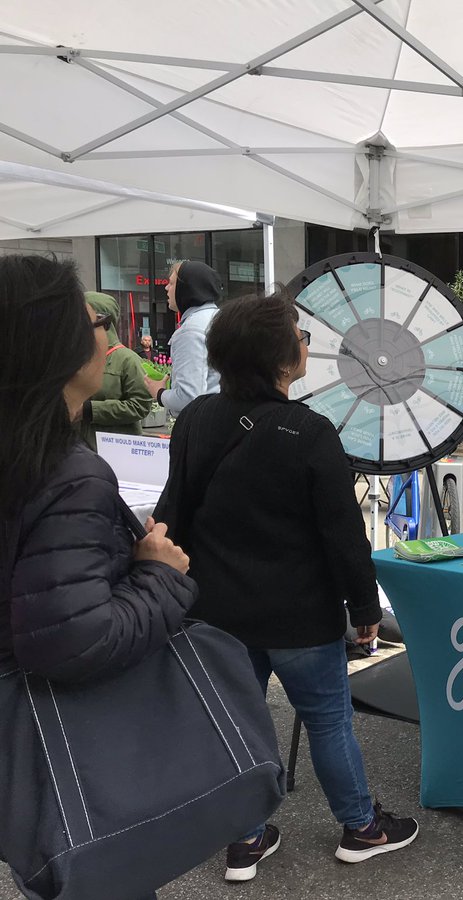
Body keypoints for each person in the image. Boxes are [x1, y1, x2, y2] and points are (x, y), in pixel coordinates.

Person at [153, 293, 418, 883]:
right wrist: (364, 605)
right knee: (328, 720)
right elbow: (342, 534)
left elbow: (175, 510)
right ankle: (361, 828)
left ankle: (245, 837)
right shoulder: (310, 432)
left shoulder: (196, 419)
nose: (305, 346)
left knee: (239, 722)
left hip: (217, 613)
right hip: (301, 615)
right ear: (279, 357)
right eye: (299, 336)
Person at [1, 255, 196, 900]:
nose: (104, 335)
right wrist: (159, 574)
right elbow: (75, 639)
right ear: (51, 340)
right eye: (91, 322)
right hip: (63, 747)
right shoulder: (70, 475)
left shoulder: (31, 456)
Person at [144, 260, 221, 415]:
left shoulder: (190, 331)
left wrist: (159, 393)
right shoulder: (222, 318)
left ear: (186, 289)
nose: (166, 288)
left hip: (202, 426)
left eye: (171, 283)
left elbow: (189, 397)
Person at [79, 291, 154, 450]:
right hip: (78, 451)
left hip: (118, 451)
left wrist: (90, 410)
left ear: (103, 321)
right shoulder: (75, 358)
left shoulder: (127, 360)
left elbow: (141, 405)